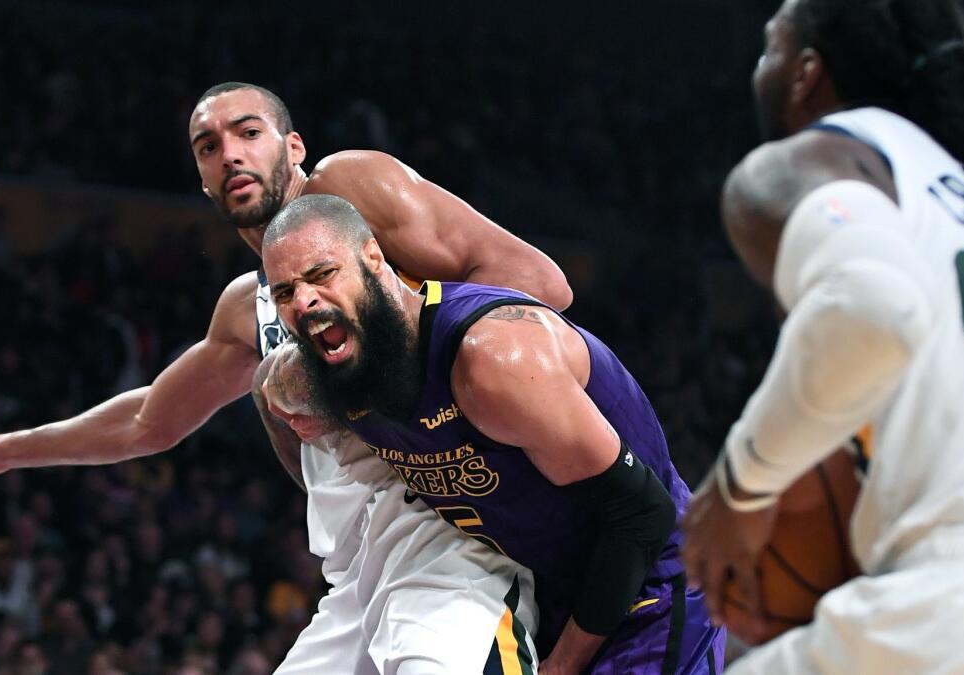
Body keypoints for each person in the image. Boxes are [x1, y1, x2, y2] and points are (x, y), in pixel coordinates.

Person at [0, 82, 573, 673]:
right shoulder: (249, 303)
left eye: (248, 133)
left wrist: (383, 377)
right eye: (208, 146)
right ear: (202, 180)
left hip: (447, 538)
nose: (230, 154)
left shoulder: (354, 189)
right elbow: (146, 420)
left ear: (294, 148)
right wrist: (0, 449)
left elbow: (537, 283)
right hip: (357, 578)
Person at [678, 0, 964, 672]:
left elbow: (873, 312)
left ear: (807, 72)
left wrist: (740, 488)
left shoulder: (811, 164)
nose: (760, 64)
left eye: (769, 46)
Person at [259, 194, 725, 674]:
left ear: (373, 258)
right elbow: (272, 387)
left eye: (321, 275)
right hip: (560, 598)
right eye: (284, 293)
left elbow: (644, 514)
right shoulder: (335, 367)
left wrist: (561, 666)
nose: (305, 301)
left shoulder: (491, 360)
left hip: (650, 591)